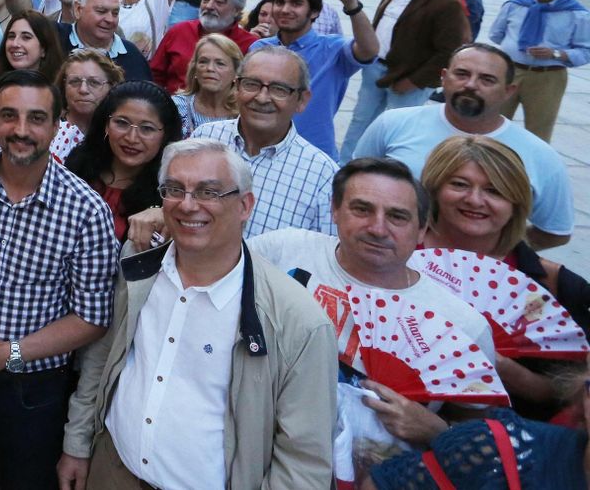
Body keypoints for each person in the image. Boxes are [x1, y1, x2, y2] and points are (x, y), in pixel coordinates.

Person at [58, 139, 336, 490]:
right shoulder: (138, 262)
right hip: (112, 470)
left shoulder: (299, 322)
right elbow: (103, 358)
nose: (188, 205)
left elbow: (303, 462)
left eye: (209, 192)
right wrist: (78, 443)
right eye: (175, 189)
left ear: (245, 205)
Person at [0, 69, 118, 486]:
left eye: (36, 118)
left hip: (31, 389)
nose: (22, 130)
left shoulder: (86, 210)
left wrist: (7, 354)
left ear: (57, 125)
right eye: (10, 115)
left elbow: (92, 318)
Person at [249, 158, 498, 454]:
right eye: (362, 209)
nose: (378, 228)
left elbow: (476, 439)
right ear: (335, 210)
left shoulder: (464, 325)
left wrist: (436, 430)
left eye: (397, 216)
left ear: (422, 229)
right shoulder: (283, 250)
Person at [355, 42, 573, 248]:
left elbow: (556, 232)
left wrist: (489, 251)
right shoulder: (392, 123)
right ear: (443, 78)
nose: (470, 85)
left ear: (508, 91)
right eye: (462, 74)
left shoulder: (540, 156)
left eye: (487, 80)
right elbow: (354, 185)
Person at [419, 135, 590, 336]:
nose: (475, 200)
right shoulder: (394, 251)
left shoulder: (554, 284)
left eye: (494, 191)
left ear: (515, 204)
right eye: (460, 184)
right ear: (434, 190)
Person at [340, 0, 469, 160]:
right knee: (361, 120)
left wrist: (414, 81)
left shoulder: (445, 2)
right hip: (375, 69)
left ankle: (385, 170)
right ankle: (345, 165)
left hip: (408, 79)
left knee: (397, 130)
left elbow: (448, 52)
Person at [195, 45, 338, 238]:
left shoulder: (323, 176)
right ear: (236, 88)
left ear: (302, 100)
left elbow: (327, 251)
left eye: (279, 89)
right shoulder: (205, 138)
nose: (262, 98)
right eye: (251, 84)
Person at [253, 0, 379, 157]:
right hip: (261, 148)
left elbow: (369, 50)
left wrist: (352, 5)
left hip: (313, 154)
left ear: (314, 11)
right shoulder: (259, 48)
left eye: (296, 4)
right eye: (280, 2)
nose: (285, 9)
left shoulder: (333, 50)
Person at [67, 81, 183, 241]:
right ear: (106, 124)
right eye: (122, 123)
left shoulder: (173, 191)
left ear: (165, 135)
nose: (131, 138)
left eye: (147, 128)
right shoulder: (78, 165)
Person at [488, 0, 588, 141]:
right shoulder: (515, 5)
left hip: (547, 77)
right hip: (509, 71)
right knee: (491, 122)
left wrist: (556, 53)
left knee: (538, 131)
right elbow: (496, 34)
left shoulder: (576, 13)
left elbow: (585, 50)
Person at [148, 0, 260, 93]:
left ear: (237, 10)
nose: (209, 6)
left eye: (219, 2)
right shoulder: (179, 31)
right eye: (206, 0)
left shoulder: (251, 45)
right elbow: (154, 75)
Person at [59, 0, 154, 82]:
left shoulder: (133, 57)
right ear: (78, 9)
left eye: (115, 13)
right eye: (101, 11)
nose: (110, 19)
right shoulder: (54, 39)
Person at [53, 48, 125, 163]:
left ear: (112, 87)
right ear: (64, 86)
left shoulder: (120, 135)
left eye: (94, 82)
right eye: (75, 81)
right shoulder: (48, 128)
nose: (83, 90)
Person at [170, 32, 242, 137]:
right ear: (195, 69)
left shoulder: (244, 112)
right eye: (203, 62)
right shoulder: (175, 107)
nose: (210, 68)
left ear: (236, 73)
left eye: (220, 63)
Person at [0, 11, 63, 86]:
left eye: (26, 37)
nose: (15, 44)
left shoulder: (60, 87)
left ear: (43, 48)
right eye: (11, 36)